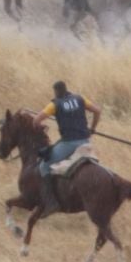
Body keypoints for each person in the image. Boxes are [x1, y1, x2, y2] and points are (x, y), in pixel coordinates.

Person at [35, 80, 101, 215]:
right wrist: (92, 129)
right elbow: (97, 111)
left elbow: (36, 120)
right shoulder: (80, 98)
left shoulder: (54, 104)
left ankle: (51, 202)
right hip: (85, 141)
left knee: (44, 166)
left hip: (69, 143)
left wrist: (40, 128)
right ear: (67, 89)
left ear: (56, 92)